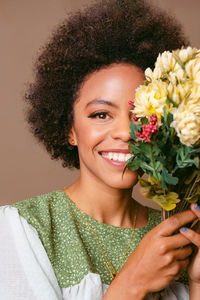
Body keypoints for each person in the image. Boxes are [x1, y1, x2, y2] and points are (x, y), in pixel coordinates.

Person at [0, 0, 200, 299]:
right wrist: (133, 283)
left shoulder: (179, 232)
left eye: (140, 116)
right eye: (101, 114)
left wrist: (197, 284)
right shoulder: (25, 228)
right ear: (69, 129)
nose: (124, 132)